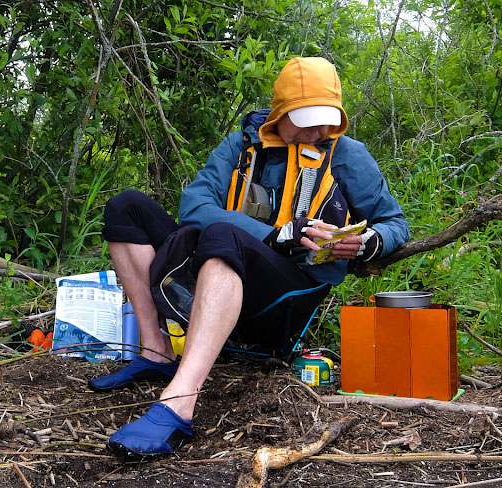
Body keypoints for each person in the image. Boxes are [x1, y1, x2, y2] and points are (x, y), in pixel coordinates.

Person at [90, 57, 410, 457]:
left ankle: (179, 403)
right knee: (126, 207)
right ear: (280, 112)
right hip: (229, 259)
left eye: (328, 119)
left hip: (290, 288)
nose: (320, 130)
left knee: (226, 234)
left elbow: (394, 222)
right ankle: (157, 351)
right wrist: (275, 234)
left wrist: (367, 243)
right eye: (308, 119)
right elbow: (194, 205)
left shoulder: (346, 153)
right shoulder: (242, 144)